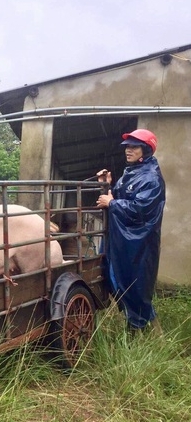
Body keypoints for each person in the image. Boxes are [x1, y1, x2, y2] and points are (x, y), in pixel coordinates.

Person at [96, 128, 166, 332]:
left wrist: (113, 203)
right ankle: (145, 331)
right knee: (119, 281)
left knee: (136, 286)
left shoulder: (151, 178)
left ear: (145, 150)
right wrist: (106, 186)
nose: (128, 150)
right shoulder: (131, 173)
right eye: (127, 146)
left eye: (134, 146)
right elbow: (118, 196)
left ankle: (144, 334)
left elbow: (140, 209)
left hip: (138, 243)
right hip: (123, 240)